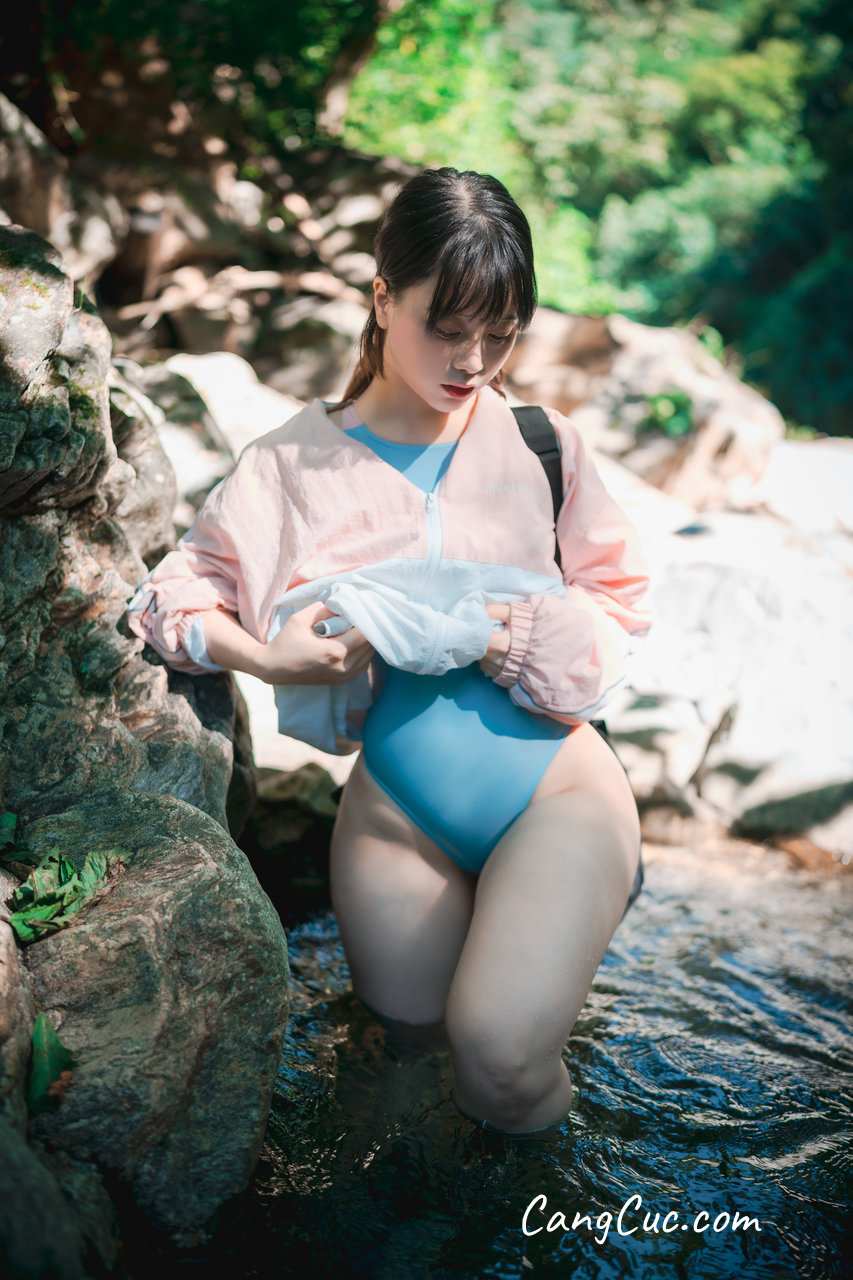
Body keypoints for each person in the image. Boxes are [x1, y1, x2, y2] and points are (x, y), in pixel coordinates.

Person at [128, 167, 653, 1136]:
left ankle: (561, 1210)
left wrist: (493, 633)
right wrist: (268, 660)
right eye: (445, 328)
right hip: (392, 822)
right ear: (381, 297)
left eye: (501, 334)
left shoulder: (542, 445)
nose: (473, 360)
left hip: (558, 794)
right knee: (398, 1082)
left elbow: (619, 610)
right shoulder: (289, 464)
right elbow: (169, 596)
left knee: (501, 1060)